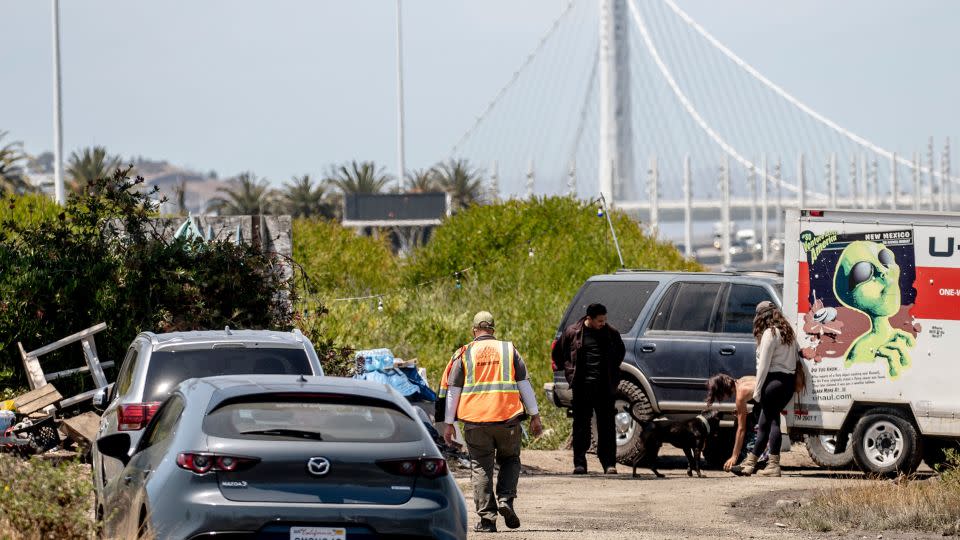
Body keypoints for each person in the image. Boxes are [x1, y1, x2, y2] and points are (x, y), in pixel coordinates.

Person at [443, 311, 542, 533]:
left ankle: (487, 520)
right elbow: (524, 384)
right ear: (493, 330)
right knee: (510, 459)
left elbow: (453, 391)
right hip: (507, 420)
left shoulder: (464, 353)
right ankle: (506, 499)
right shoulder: (509, 350)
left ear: (473, 330)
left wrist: (448, 423)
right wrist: (535, 416)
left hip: (476, 422)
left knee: (480, 466)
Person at [551, 303, 626, 475]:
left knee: (607, 426)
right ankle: (580, 463)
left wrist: (612, 371)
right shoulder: (572, 332)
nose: (603, 323)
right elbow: (558, 354)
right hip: (582, 388)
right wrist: (569, 370)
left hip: (605, 388)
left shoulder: (611, 333)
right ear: (589, 319)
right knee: (581, 426)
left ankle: (609, 464)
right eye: (600, 320)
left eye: (604, 320)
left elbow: (620, 352)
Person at [735, 301, 798, 477]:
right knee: (771, 422)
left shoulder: (770, 334)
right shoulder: (788, 333)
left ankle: (766, 464)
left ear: (761, 316)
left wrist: (757, 391)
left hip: (773, 383)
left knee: (765, 424)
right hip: (787, 383)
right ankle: (755, 463)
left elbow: (763, 367)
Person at [704, 373, 770, 473]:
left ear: (723, 390)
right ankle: (754, 459)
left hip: (772, 403)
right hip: (774, 396)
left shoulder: (740, 394)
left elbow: (741, 429)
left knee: (749, 428)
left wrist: (734, 457)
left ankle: (757, 460)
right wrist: (744, 413)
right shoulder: (742, 379)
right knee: (751, 419)